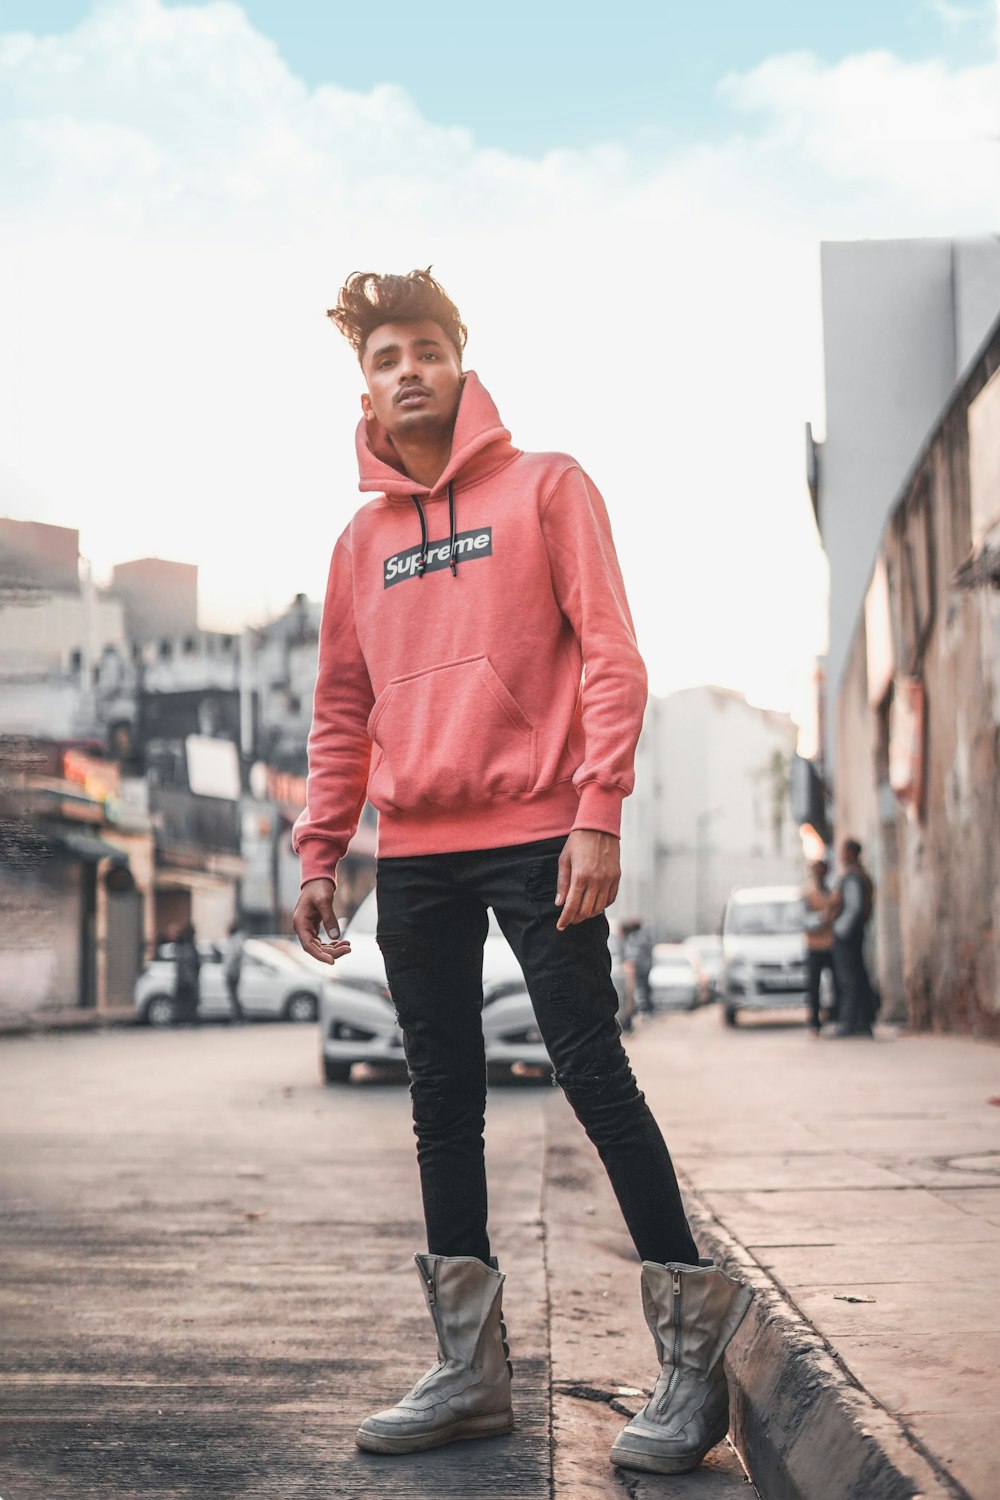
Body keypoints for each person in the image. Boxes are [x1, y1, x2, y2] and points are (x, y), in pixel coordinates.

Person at [291, 269, 753, 1477]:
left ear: (459, 358)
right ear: (367, 384)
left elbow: (612, 654)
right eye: (385, 355)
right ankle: (468, 1369)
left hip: (540, 832)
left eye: (425, 348)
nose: (407, 370)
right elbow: (342, 706)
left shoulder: (548, 485)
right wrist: (322, 846)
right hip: (418, 855)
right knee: (440, 1099)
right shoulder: (358, 543)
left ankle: (696, 1370)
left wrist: (594, 811)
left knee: (591, 1072)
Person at [832, 838, 876, 1037]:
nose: (841, 854)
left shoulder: (852, 877)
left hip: (848, 935)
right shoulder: (860, 874)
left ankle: (849, 1023)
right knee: (857, 976)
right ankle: (862, 1021)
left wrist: (839, 931)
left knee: (849, 979)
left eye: (843, 850)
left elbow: (853, 908)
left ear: (851, 853)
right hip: (855, 932)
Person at [802, 859, 839, 1036]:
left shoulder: (832, 893)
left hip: (831, 945)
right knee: (813, 986)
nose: (819, 874)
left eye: (822, 871)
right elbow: (801, 919)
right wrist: (821, 919)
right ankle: (814, 1022)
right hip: (814, 946)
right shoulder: (807, 894)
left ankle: (835, 1017)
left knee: (837, 984)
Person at [173, 923, 201, 1026]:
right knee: (189, 1001)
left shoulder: (182, 946)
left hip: (184, 979)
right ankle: (186, 1019)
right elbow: (192, 964)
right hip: (188, 979)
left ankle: (183, 1019)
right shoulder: (188, 946)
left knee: (184, 1001)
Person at [222, 919, 247, 1023]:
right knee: (234, 995)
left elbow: (234, 956)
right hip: (234, 971)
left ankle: (238, 1017)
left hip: (232, 972)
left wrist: (229, 967)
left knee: (233, 996)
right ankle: (238, 1016)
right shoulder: (238, 939)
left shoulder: (235, 940)